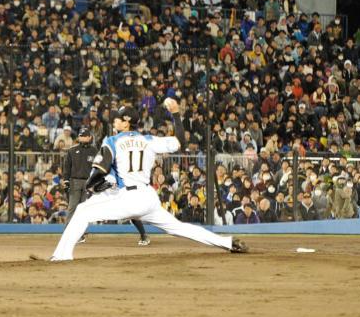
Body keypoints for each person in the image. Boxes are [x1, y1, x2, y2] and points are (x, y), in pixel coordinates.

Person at [48, 101, 247, 261]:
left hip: (129, 197)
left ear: (126, 122)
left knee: (82, 211)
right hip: (148, 196)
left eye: (118, 118)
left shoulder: (112, 140)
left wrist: (93, 185)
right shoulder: (148, 140)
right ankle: (228, 243)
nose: (115, 120)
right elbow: (180, 142)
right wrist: (176, 113)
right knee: (179, 228)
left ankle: (61, 255)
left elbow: (99, 170)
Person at [63, 126, 149, 246]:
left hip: (122, 184)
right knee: (79, 208)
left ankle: (144, 235)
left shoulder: (111, 151)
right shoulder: (105, 149)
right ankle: (75, 234)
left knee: (130, 211)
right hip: (106, 183)